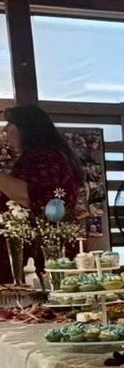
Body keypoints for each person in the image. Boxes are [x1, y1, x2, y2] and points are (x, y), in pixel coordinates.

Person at [0, 104, 83, 281]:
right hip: (44, 245)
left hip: (40, 252)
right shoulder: (49, 155)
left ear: (26, 128)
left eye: (10, 123)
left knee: (38, 304)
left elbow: (32, 195)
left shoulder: (43, 156)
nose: (5, 129)